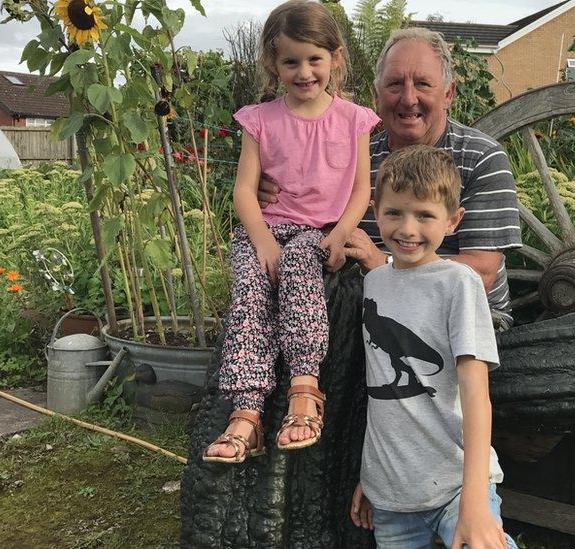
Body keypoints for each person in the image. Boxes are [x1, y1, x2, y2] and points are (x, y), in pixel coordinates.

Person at [204, 0, 380, 463]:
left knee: (301, 266)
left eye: (314, 59)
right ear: (273, 64)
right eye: (291, 62)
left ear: (335, 59)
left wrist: (342, 232)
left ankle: (305, 385)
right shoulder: (259, 120)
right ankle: (247, 411)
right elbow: (244, 190)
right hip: (268, 229)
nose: (304, 72)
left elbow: (362, 189)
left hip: (318, 231)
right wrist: (261, 238)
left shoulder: (353, 120)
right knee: (249, 289)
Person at [259, 27, 522, 329]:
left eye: (423, 84)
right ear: (377, 94)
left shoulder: (481, 157)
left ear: (448, 94)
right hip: (369, 307)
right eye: (395, 84)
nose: (409, 99)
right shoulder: (351, 156)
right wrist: (274, 189)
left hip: (464, 316)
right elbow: (302, 216)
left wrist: (382, 263)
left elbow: (481, 275)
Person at [348, 145, 517, 549]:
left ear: (453, 220)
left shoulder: (458, 285)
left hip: (457, 487)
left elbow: (477, 397)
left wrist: (474, 502)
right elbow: (380, 393)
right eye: (394, 213)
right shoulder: (374, 283)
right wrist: (371, 477)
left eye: (424, 215)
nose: (407, 229)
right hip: (391, 495)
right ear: (375, 210)